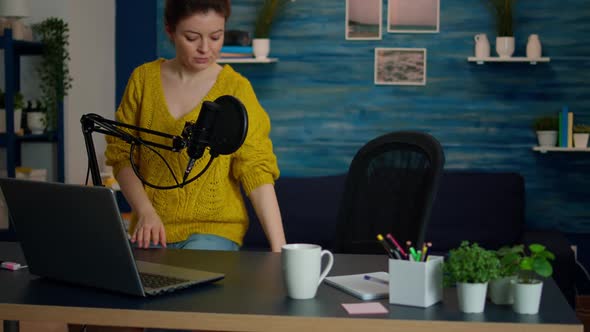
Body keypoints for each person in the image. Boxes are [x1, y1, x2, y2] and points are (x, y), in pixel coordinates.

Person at [105, 0, 286, 255]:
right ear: (170, 30)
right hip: (151, 228)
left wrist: (280, 250)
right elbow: (120, 155)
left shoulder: (236, 89)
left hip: (214, 231)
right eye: (192, 37)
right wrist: (145, 211)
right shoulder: (143, 81)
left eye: (216, 37)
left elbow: (256, 170)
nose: (205, 49)